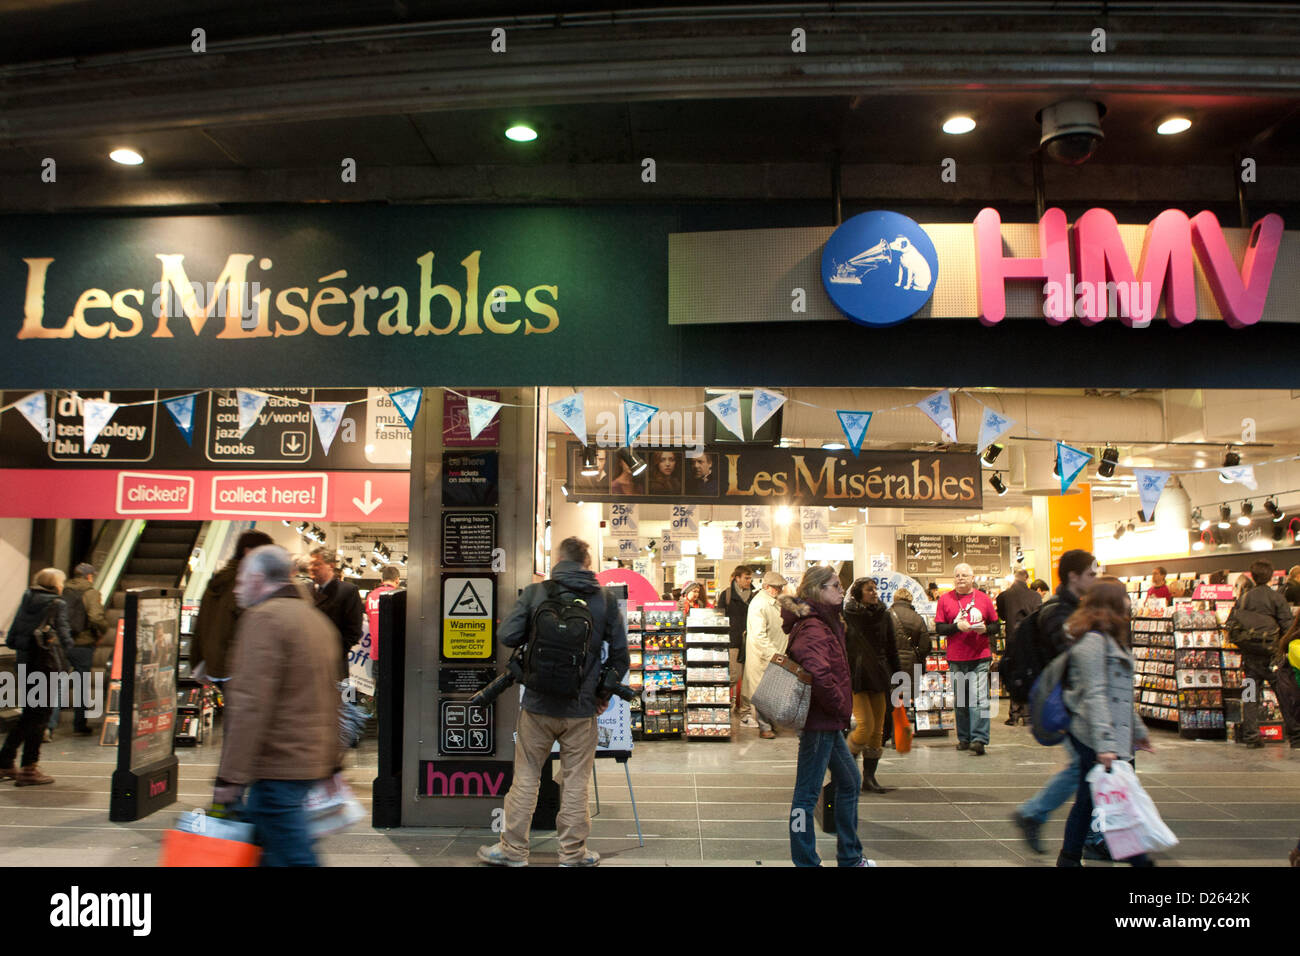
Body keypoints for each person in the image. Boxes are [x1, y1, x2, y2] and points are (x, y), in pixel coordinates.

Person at [478, 536, 629, 867]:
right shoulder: (603, 599)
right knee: (576, 782)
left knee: (527, 777)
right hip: (581, 709)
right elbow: (620, 658)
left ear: (558, 560)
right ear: (588, 564)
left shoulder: (537, 593)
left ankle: (513, 851)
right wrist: (601, 695)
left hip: (537, 706)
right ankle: (572, 855)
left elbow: (507, 636)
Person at [212, 545, 342, 866]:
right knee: (274, 854)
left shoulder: (264, 620)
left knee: (295, 857)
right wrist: (333, 763)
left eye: (241, 578)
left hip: (278, 767)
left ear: (257, 578)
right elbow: (331, 698)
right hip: (308, 764)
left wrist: (229, 779)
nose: (237, 586)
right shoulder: (315, 620)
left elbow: (249, 706)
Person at [1057, 580, 1156, 867]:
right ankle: (1140, 861)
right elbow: (1096, 695)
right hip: (1094, 735)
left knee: (1090, 800)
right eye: (1124, 598)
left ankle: (1069, 858)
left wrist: (1138, 731)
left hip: (1111, 734)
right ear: (1111, 603)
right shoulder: (1092, 642)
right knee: (1117, 800)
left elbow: (1121, 695)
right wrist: (1105, 744)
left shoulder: (1110, 638)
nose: (1129, 603)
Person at [780, 565, 873, 867]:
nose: (841, 589)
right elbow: (820, 675)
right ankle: (806, 861)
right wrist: (839, 706)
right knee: (805, 798)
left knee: (849, 782)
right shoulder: (814, 627)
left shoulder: (825, 622)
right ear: (818, 589)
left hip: (828, 722)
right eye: (835, 585)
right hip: (820, 722)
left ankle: (850, 856)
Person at [1011, 550, 1100, 854]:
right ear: (1074, 576)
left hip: (1077, 701)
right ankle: (1039, 815)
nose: (1095, 578)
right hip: (1068, 702)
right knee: (1085, 766)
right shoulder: (1059, 612)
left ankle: (1074, 828)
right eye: (1091, 573)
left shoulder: (1074, 608)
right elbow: (1075, 658)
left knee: (1086, 767)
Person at [1, 569, 71, 786]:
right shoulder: (57, 604)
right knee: (40, 717)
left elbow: (12, 639)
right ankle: (29, 768)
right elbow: (66, 639)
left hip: (25, 665)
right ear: (56, 585)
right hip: (46, 667)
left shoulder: (27, 600)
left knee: (29, 715)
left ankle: (5, 761)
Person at [1230, 559, 1300, 748]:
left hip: (1250, 657)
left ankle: (1251, 736)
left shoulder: (1244, 598)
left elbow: (1233, 624)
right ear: (1271, 576)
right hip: (1272, 658)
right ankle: (1295, 736)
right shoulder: (1276, 598)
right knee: (1284, 695)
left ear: (1252, 576)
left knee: (1250, 695)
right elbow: (1287, 625)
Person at [842, 577, 902, 793]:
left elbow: (891, 647)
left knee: (878, 730)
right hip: (856, 675)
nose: (874, 592)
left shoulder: (884, 615)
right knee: (865, 726)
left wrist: (898, 676)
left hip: (879, 674)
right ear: (858, 593)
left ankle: (869, 778)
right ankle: (844, 770)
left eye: (875, 589)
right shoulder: (847, 615)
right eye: (869, 589)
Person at [934, 563, 1000, 755]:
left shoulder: (984, 599)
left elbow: (996, 625)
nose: (960, 578)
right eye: (957, 575)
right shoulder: (945, 600)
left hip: (980, 656)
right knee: (962, 700)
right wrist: (956, 627)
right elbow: (939, 628)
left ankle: (979, 738)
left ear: (972, 578)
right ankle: (964, 738)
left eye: (964, 575)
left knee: (979, 698)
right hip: (956, 657)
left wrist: (986, 629)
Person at [192, 530, 274, 685]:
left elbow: (201, 624)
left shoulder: (219, 579)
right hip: (236, 671)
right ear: (248, 552)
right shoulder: (244, 583)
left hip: (214, 667)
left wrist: (197, 660)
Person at [47, 562, 108, 738]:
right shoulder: (91, 593)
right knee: (81, 685)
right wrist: (102, 630)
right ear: (89, 576)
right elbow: (95, 617)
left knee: (58, 683)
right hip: (83, 644)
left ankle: (49, 726)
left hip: (61, 643)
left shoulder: (61, 590)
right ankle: (80, 724)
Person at [742, 571, 788, 738]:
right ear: (767, 587)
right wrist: (774, 653)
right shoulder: (759, 605)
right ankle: (764, 727)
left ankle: (770, 723)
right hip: (765, 656)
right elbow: (759, 635)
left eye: (781, 587)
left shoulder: (774, 602)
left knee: (772, 692)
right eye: (777, 587)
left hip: (776, 655)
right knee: (763, 692)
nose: (780, 590)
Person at [996, 569, 1041, 726]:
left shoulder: (1004, 596)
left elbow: (1001, 615)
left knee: (1014, 675)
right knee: (1029, 675)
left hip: (1012, 640)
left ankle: (1013, 714)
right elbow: (1038, 618)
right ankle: (1028, 716)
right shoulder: (1036, 596)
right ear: (1027, 579)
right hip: (1030, 641)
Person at [308, 546, 364, 671]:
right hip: (307, 665)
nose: (311, 568)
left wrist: (334, 654)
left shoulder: (348, 591)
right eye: (310, 564)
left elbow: (354, 631)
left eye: (317, 564)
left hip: (334, 665)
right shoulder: (305, 590)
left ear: (331, 566)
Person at [717, 565, 755, 721]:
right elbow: (719, 618)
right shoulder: (726, 595)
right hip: (732, 641)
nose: (749, 580)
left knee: (749, 677)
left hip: (751, 642)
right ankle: (722, 703)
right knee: (733, 676)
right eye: (746, 577)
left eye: (750, 578)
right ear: (737, 578)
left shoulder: (754, 596)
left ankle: (745, 709)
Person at [889, 588, 932, 692]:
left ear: (895, 599)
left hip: (890, 664)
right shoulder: (917, 618)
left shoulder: (886, 615)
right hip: (911, 664)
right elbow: (925, 646)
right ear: (910, 600)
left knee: (891, 698)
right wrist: (918, 657)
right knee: (907, 698)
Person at [365, 565, 402, 662]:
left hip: (376, 653)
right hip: (396, 652)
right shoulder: (399, 596)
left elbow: (369, 619)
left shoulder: (371, 596)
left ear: (382, 580)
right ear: (397, 580)